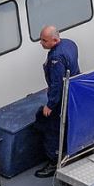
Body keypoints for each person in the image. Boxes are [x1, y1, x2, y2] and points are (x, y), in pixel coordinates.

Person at [34, 25, 80, 177]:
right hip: (75, 91)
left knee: (51, 126)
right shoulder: (69, 43)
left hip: (62, 97)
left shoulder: (56, 58)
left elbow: (57, 84)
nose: (41, 43)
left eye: (44, 40)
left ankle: (54, 161)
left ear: (54, 40)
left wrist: (50, 104)